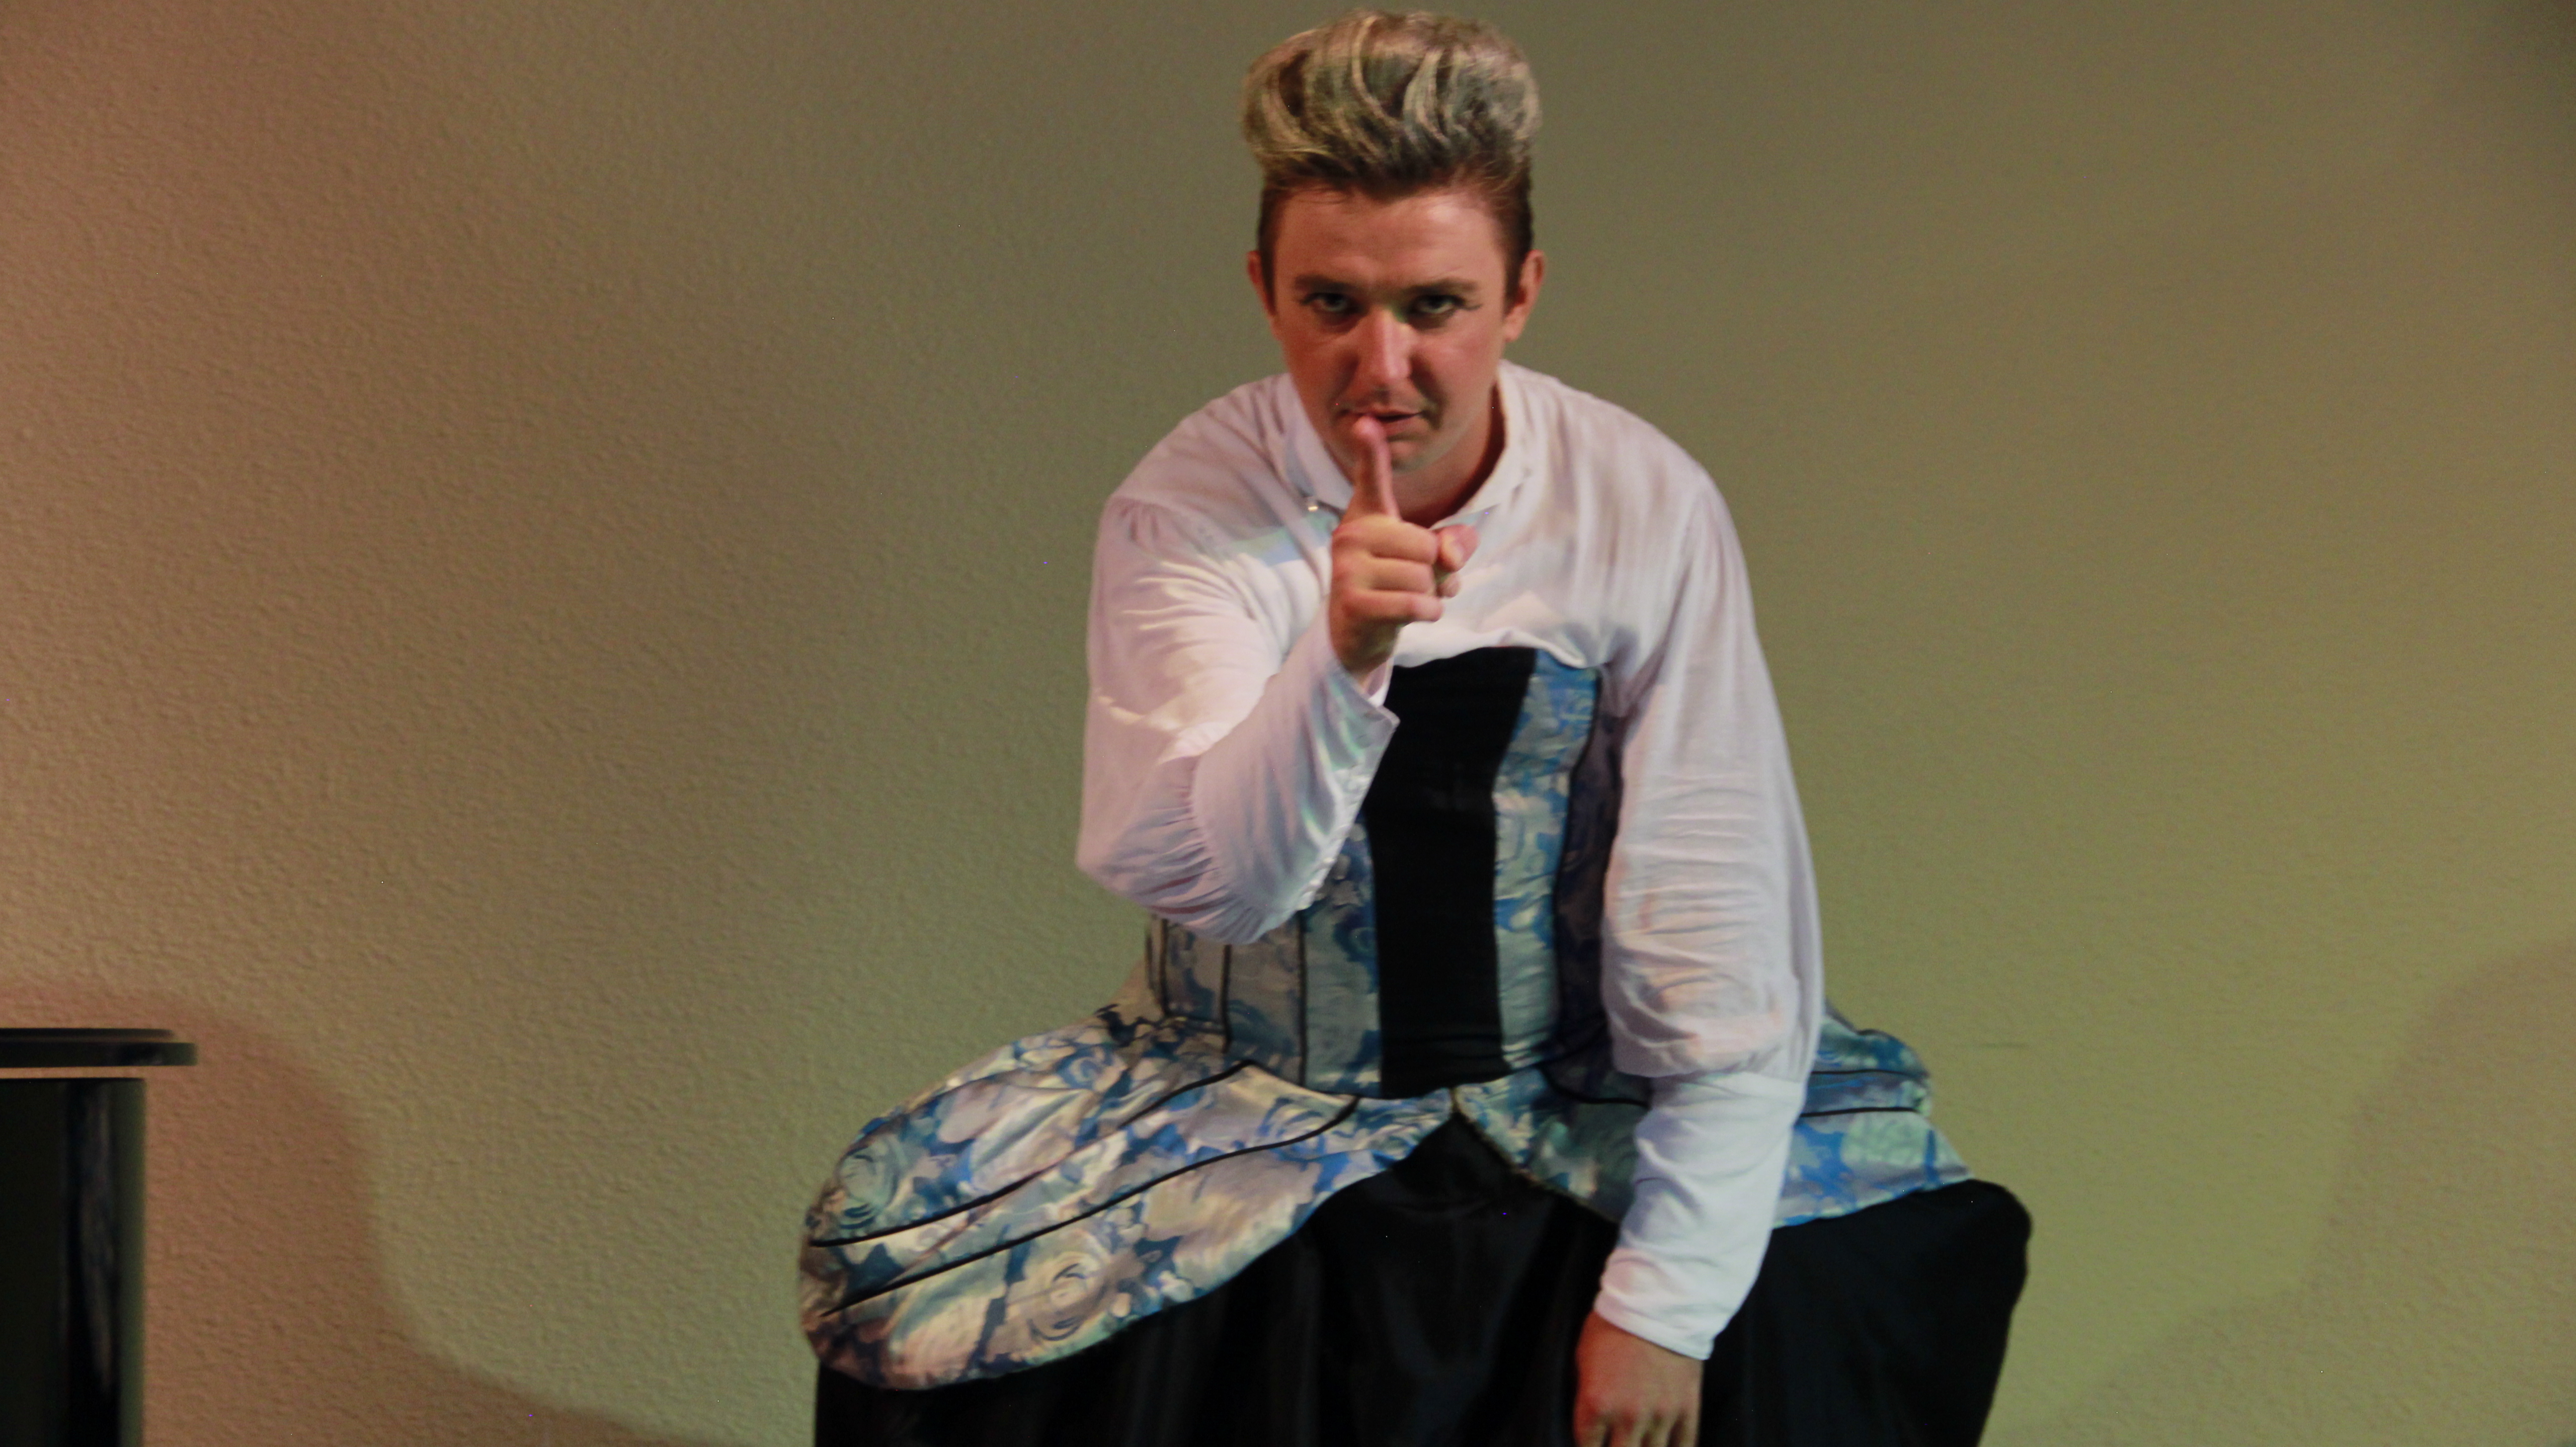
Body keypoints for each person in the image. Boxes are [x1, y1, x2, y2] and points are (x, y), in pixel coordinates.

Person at [803, 12, 2027, 1446]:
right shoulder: (1188, 508)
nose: (1381, 367)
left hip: (1562, 1100)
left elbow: (1715, 912)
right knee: (912, 1300)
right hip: (1245, 1102)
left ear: (1522, 295)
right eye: (1332, 303)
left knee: (1860, 1282)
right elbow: (1226, 889)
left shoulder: (1639, 502)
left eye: (1436, 305)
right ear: (1265, 291)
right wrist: (1342, 655)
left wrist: (1667, 1304)